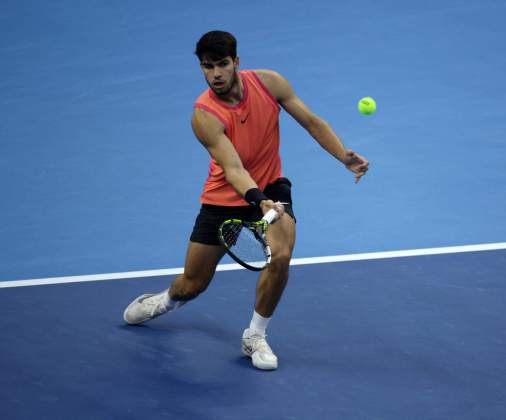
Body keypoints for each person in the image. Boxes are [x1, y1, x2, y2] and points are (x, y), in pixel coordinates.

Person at [123, 30, 369, 370]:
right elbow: (233, 167)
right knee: (192, 285)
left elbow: (312, 123)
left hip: (272, 186)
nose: (216, 74)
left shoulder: (270, 83)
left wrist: (344, 156)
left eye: (222, 64)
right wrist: (257, 200)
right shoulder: (204, 115)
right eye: (207, 67)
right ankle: (164, 301)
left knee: (280, 256)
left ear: (236, 62)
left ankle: (255, 336)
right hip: (225, 197)